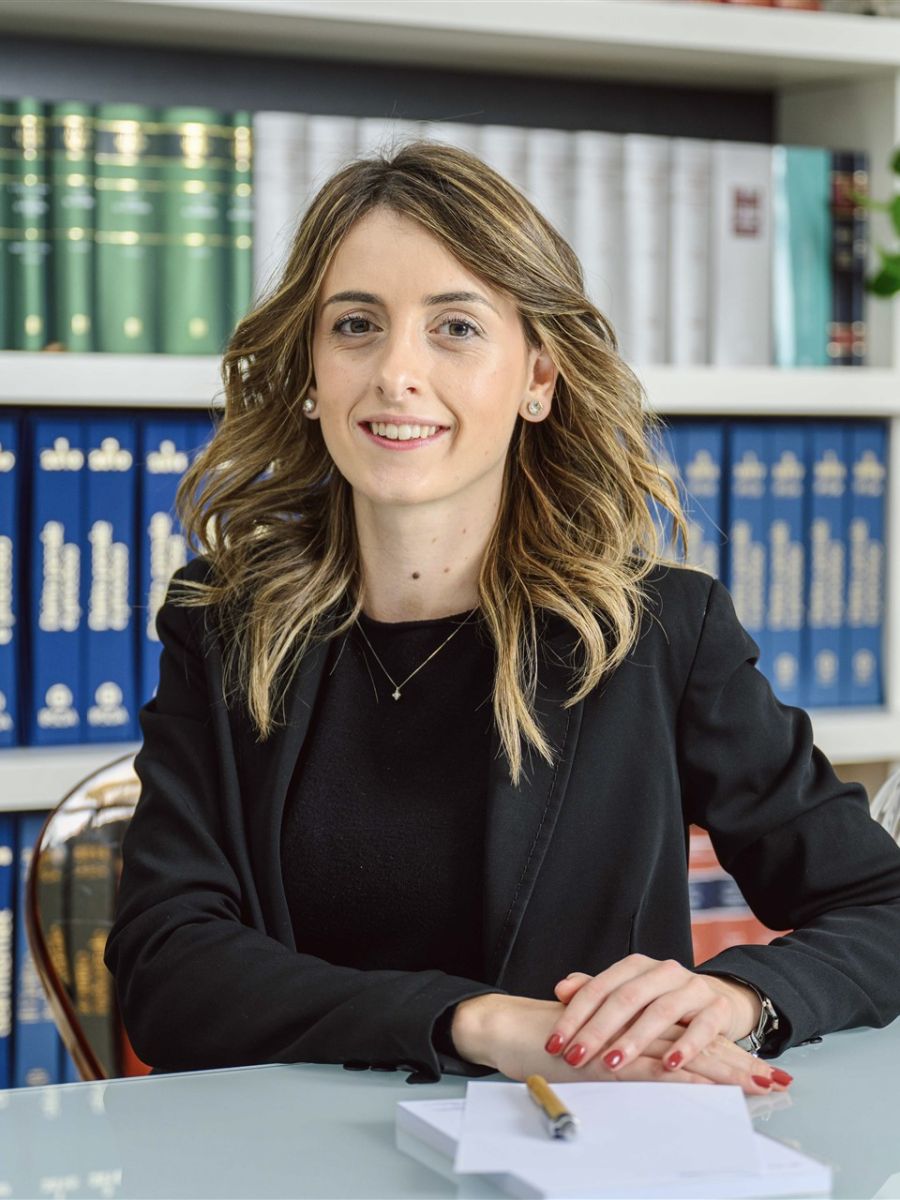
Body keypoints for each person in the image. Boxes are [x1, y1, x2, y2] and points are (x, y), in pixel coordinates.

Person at [105, 139, 900, 1092]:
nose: (396, 372)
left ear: (538, 379)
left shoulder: (660, 632)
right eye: (355, 325)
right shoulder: (224, 624)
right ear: (311, 372)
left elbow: (882, 906)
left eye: (455, 327)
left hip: (579, 1148)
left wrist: (739, 999)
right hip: (293, 1150)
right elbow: (165, 969)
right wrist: (475, 1023)